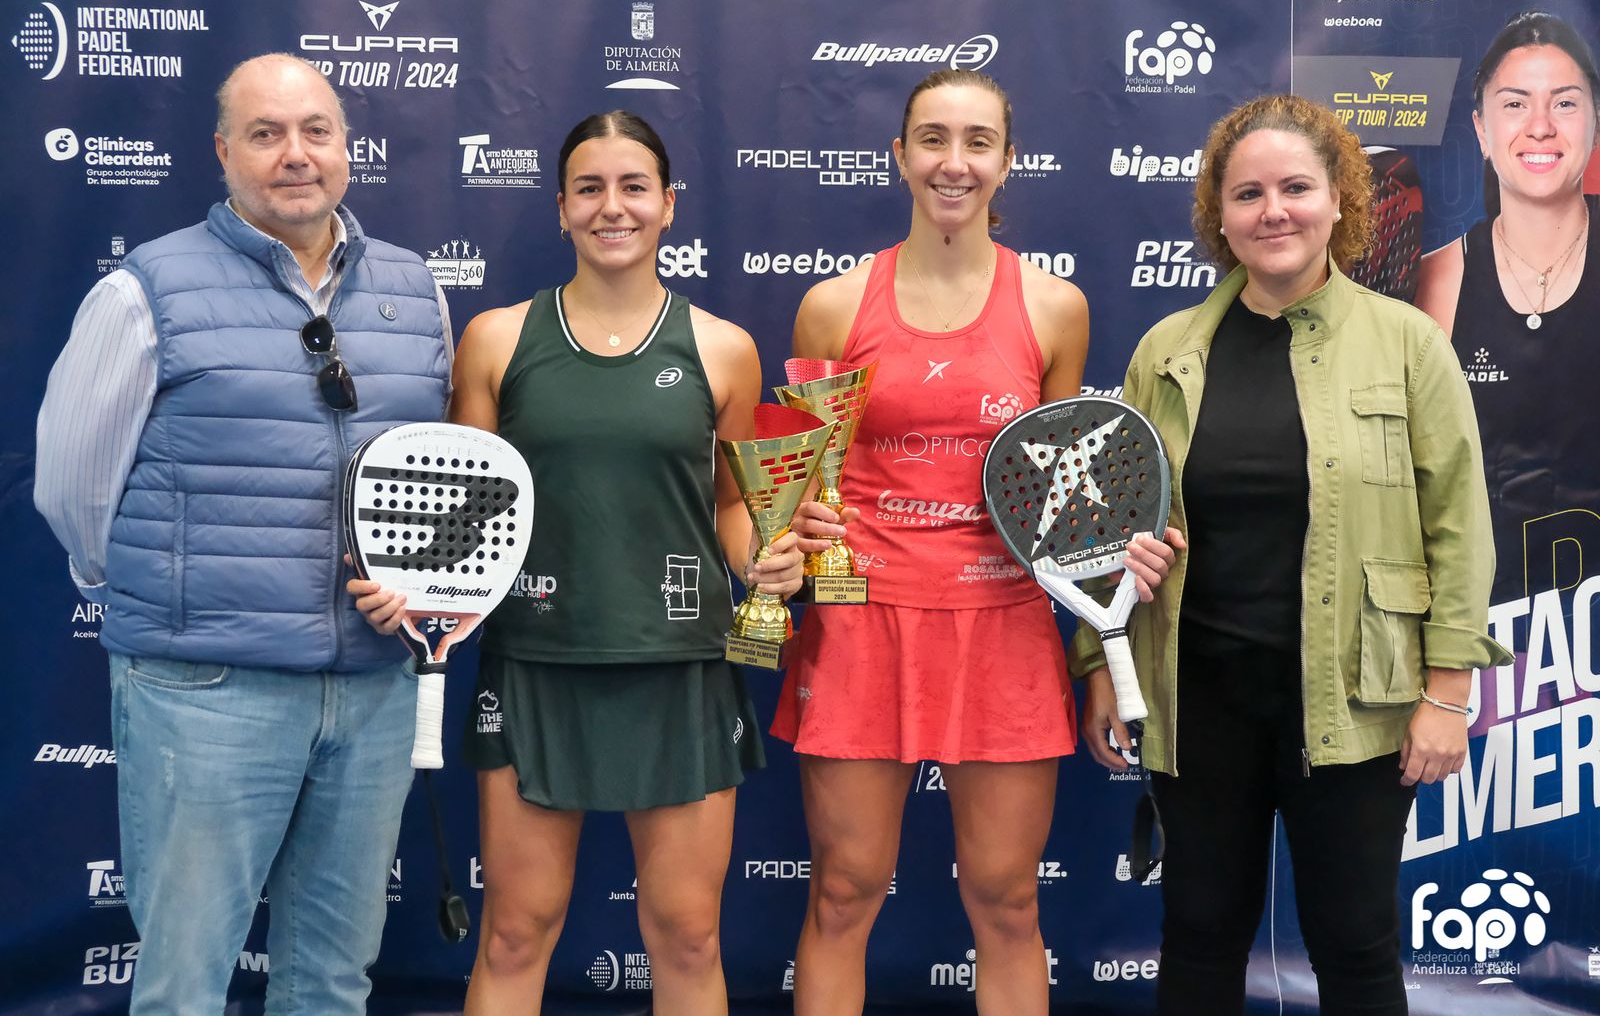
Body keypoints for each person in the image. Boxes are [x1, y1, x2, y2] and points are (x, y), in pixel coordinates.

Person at [357, 110, 804, 1016]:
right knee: (516, 932)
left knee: (688, 934)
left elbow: (730, 503)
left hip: (679, 668)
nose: (613, 208)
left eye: (634, 187)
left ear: (670, 205)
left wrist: (765, 559)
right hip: (535, 665)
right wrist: (413, 586)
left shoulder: (723, 349)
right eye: (590, 189)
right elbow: (460, 505)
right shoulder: (497, 339)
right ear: (561, 209)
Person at [33, 53, 453, 1013]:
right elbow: (70, 485)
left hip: (373, 690)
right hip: (207, 690)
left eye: (316, 131)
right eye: (266, 134)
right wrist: (168, 599)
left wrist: (415, 581)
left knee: (332, 979)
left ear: (347, 146)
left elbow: (429, 480)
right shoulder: (149, 290)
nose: (295, 154)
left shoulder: (416, 289)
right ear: (223, 153)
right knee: (186, 979)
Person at [1077, 93, 1512, 1016]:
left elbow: (1459, 525)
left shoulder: (1408, 343)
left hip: (1358, 700)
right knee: (1198, 940)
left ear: (1339, 199)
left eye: (1296, 188)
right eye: (1248, 194)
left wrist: (1448, 693)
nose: (1273, 211)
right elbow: (1111, 527)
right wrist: (1103, 664)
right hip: (1199, 699)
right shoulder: (1166, 352)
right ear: (1219, 214)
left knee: (1354, 947)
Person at [769, 69, 1090, 1016]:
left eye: (978, 142)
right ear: (900, 156)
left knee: (1007, 900)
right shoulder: (833, 307)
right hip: (860, 625)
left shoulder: (1055, 308)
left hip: (1003, 625)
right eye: (934, 139)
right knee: (843, 892)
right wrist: (798, 532)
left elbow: (1059, 491)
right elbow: (800, 486)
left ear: (1007, 161)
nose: (955, 162)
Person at [1415, 10, 1600, 608]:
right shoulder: (1435, 281)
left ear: (1595, 122)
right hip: (1482, 634)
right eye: (1515, 104)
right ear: (1481, 129)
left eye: (1565, 103)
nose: (1540, 127)